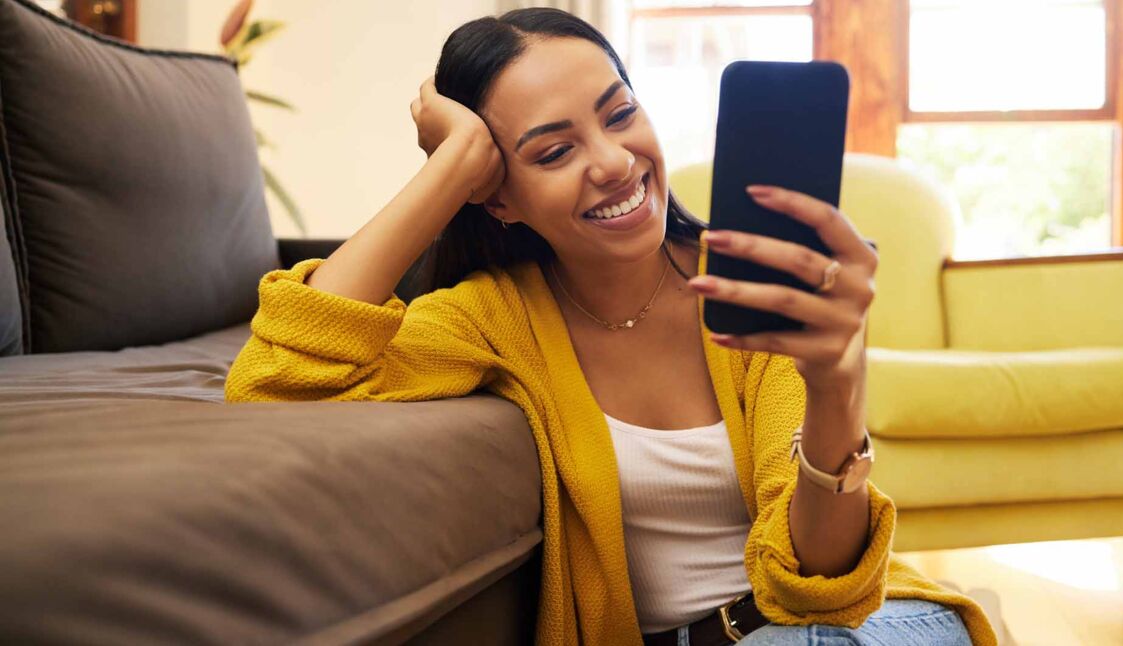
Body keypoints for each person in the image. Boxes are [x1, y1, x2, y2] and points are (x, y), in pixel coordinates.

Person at [225, 7, 997, 646]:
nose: (613, 162)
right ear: (497, 195)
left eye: (620, 114)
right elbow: (278, 383)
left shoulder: (753, 286)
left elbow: (823, 589)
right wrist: (450, 165)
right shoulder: (495, 319)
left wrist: (836, 386)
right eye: (555, 150)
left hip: (858, 623)